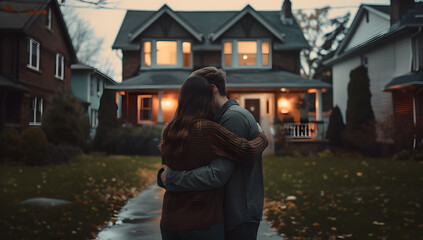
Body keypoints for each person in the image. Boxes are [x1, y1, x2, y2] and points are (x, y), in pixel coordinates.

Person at [159, 67, 266, 240]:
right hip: (206, 220)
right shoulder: (209, 127)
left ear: (212, 89)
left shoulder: (231, 118)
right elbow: (244, 149)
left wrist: (168, 178)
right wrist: (262, 138)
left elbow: (216, 173)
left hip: (237, 214)